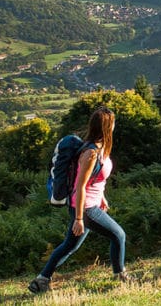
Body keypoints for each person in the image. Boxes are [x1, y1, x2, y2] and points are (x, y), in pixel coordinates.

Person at [29, 107, 130, 294]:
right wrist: (79, 219)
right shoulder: (90, 153)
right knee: (119, 235)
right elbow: (80, 186)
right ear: (107, 127)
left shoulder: (99, 148)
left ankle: (42, 279)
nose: (115, 125)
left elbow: (96, 180)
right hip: (85, 208)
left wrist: (102, 197)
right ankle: (120, 275)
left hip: (89, 204)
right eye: (113, 123)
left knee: (70, 246)